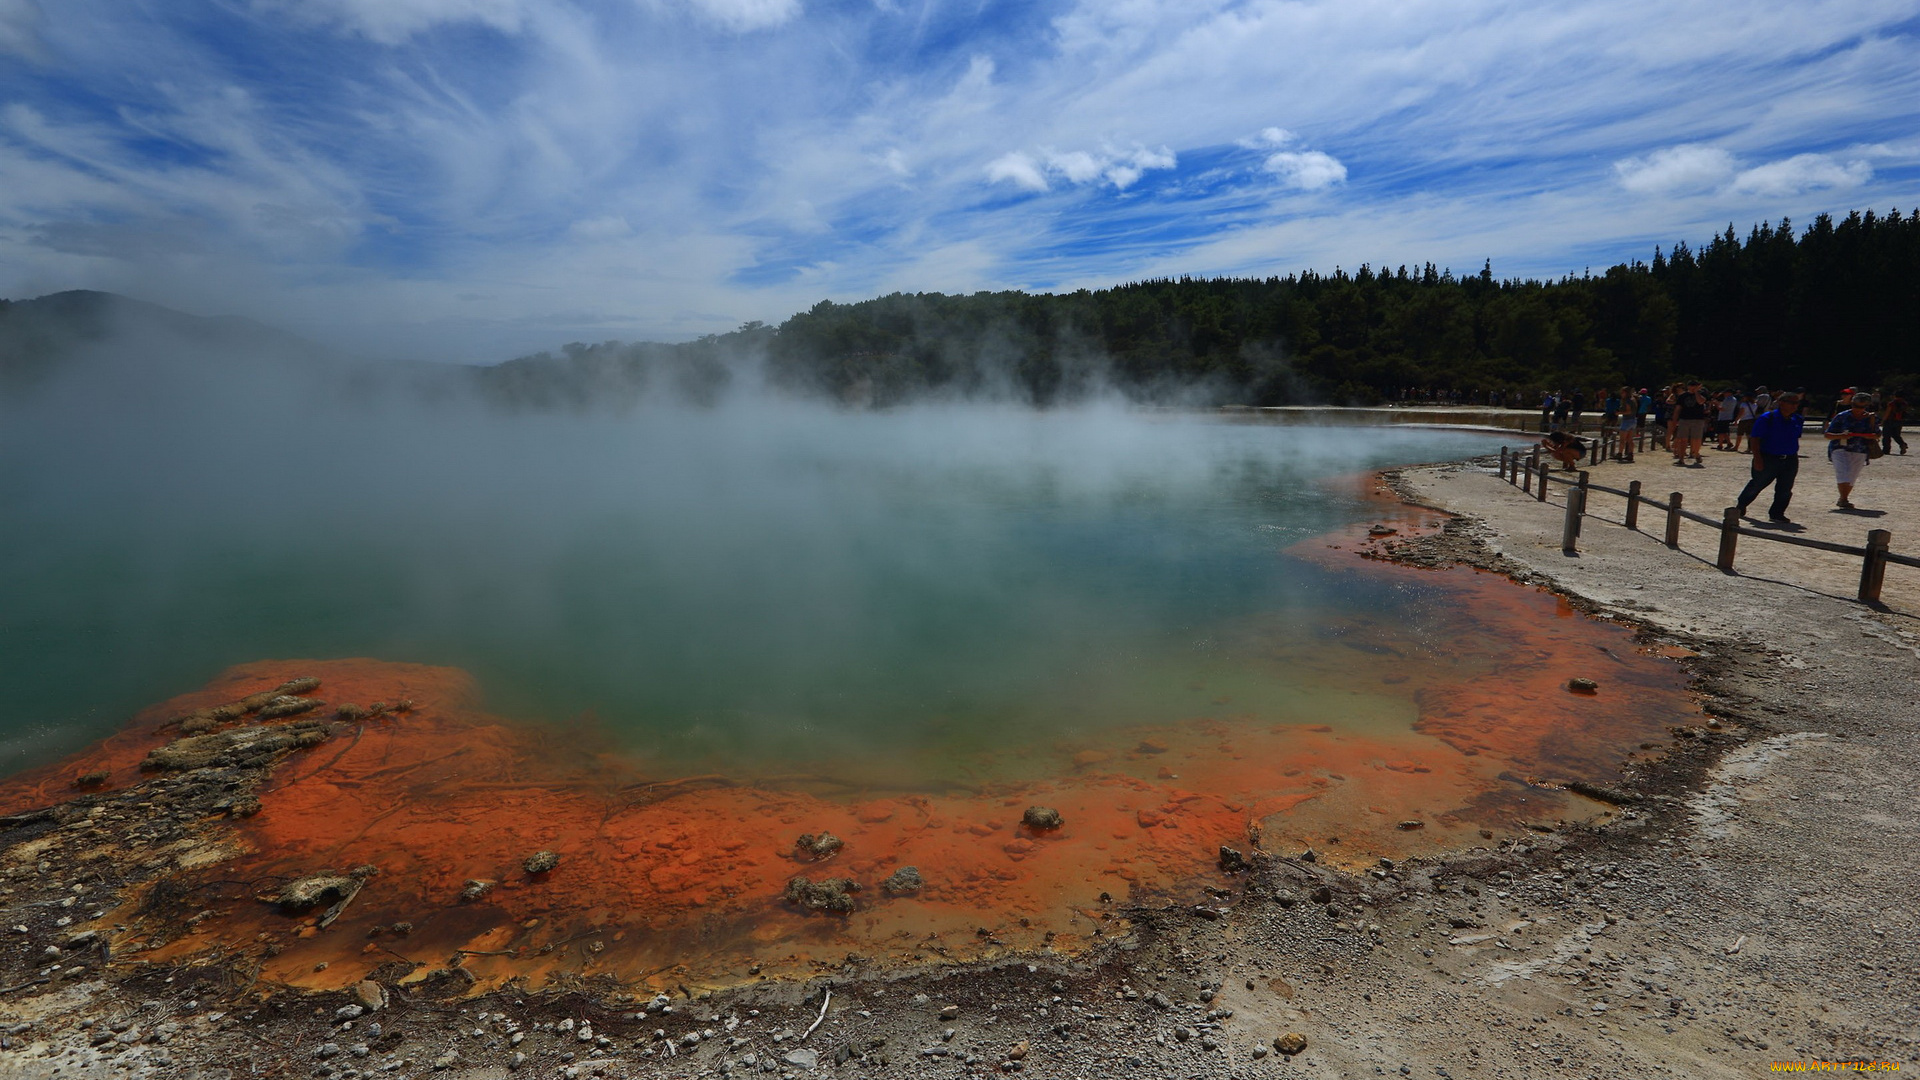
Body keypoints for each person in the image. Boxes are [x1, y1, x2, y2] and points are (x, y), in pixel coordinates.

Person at [1737, 393, 1804, 522]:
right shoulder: (1768, 418)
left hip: (1790, 459)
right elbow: (1755, 438)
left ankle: (1777, 513)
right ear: (1781, 402)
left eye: (1796, 403)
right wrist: (1757, 458)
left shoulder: (1797, 419)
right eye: (1791, 402)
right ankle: (1741, 505)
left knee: (1785, 488)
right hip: (1768, 457)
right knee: (1757, 484)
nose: (1794, 406)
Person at [1825, 393, 1881, 509]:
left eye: (1862, 407)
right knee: (1843, 473)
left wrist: (1870, 436)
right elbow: (1828, 434)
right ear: (1852, 404)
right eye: (1856, 406)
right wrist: (1841, 435)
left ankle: (1843, 498)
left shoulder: (1871, 418)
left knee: (1852, 476)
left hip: (1860, 449)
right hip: (1840, 448)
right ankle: (1844, 499)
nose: (1858, 409)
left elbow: (1877, 434)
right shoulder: (1842, 416)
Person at [1672, 382, 1708, 465]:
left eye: (1694, 386)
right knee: (1682, 439)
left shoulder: (1702, 394)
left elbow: (1700, 402)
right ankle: (1681, 458)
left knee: (1696, 439)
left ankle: (1696, 453)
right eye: (1691, 386)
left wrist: (1696, 392)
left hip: (1697, 419)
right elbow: (1678, 409)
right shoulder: (1682, 396)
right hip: (1684, 419)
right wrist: (1674, 420)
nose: (1692, 387)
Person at [1613, 385, 1638, 462]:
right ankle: (1630, 454)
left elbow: (1628, 411)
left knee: (1622, 439)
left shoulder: (1627, 401)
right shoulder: (1633, 399)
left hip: (1627, 420)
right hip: (1633, 420)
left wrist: (1619, 413)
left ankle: (1620, 453)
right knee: (1630, 440)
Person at [1883, 391, 1908, 455]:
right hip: (1899, 421)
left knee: (1886, 435)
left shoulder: (1892, 403)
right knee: (1896, 435)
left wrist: (1883, 420)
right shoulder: (1904, 403)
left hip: (1890, 420)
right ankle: (1902, 444)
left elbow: (1887, 412)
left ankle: (1886, 450)